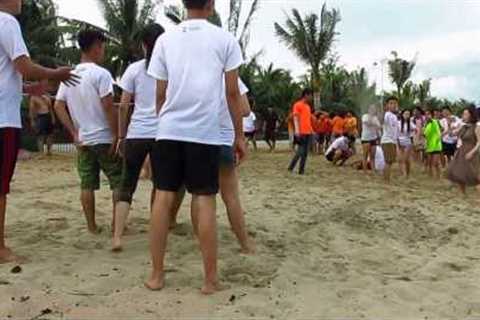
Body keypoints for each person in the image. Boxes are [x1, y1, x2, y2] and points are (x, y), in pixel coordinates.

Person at [145, 0, 246, 294]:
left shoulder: (165, 40)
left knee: (162, 199)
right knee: (204, 200)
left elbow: (160, 96)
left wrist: (166, 123)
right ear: (211, 4)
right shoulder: (225, 40)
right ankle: (210, 280)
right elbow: (231, 93)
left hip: (168, 130)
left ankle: (156, 274)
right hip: (204, 132)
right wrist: (239, 136)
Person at [0, 0, 78, 263]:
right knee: (1, 185)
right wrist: (56, 73)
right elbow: (24, 65)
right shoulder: (7, 22)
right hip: (2, 119)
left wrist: (25, 89)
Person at [54, 30, 122, 234]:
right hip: (103, 136)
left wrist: (74, 132)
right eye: (102, 47)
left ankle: (92, 226)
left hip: (83, 139)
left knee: (87, 184)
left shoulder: (70, 75)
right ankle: (116, 225)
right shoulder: (101, 74)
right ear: (95, 47)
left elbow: (58, 105)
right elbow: (109, 106)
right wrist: (116, 135)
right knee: (117, 180)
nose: (103, 52)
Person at [112, 24, 165, 252]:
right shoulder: (169, 69)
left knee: (127, 185)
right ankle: (156, 230)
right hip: (162, 134)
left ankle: (117, 236)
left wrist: (121, 135)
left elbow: (123, 106)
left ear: (143, 44)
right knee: (161, 186)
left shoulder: (133, 70)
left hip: (136, 134)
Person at [447, 107, 480, 194]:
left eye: (465, 114)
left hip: (472, 152)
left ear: (471, 115)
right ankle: (463, 194)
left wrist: (472, 152)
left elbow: (479, 143)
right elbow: (451, 134)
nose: (463, 116)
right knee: (460, 173)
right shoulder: (463, 127)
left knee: (474, 175)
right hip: (462, 151)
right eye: (463, 114)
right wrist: (449, 124)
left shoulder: (476, 127)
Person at [288, 89, 314, 175]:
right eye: (310, 95)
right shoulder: (297, 105)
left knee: (305, 153)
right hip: (301, 132)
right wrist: (297, 131)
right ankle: (291, 167)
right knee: (300, 151)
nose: (311, 97)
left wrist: (311, 130)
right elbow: (295, 118)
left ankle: (301, 170)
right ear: (306, 95)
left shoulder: (308, 107)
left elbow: (308, 120)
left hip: (308, 132)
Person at [29, 82, 55, 155]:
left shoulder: (47, 96)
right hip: (40, 116)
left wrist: (53, 118)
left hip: (48, 116)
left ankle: (49, 151)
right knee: (40, 136)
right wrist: (32, 120)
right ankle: (41, 152)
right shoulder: (33, 98)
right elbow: (31, 110)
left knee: (50, 134)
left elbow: (50, 108)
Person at [380, 96, 400, 184]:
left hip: (392, 141)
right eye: (391, 103)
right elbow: (382, 121)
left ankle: (386, 179)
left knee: (390, 162)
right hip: (387, 140)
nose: (393, 105)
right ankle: (386, 180)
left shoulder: (394, 116)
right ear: (387, 105)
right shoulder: (387, 114)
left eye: (395, 103)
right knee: (388, 161)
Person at [361, 105, 381, 172]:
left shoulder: (375, 118)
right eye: (371, 109)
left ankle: (373, 170)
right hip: (366, 138)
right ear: (368, 109)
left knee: (372, 156)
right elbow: (368, 123)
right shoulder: (365, 116)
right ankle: (365, 171)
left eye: (374, 109)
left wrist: (379, 137)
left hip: (373, 138)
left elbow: (378, 127)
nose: (373, 110)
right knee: (365, 155)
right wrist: (374, 122)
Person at [423, 109, 443, 179]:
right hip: (429, 146)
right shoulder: (426, 124)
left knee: (435, 163)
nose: (427, 116)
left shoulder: (434, 122)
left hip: (436, 145)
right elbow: (425, 135)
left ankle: (438, 177)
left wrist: (438, 138)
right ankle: (431, 177)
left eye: (428, 114)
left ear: (432, 115)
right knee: (430, 163)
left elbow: (439, 132)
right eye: (425, 114)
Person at [397, 110, 415, 177]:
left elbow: (416, 129)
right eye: (405, 114)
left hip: (408, 142)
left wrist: (413, 134)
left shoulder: (410, 123)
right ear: (402, 114)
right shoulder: (398, 123)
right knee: (400, 159)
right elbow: (396, 134)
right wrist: (398, 143)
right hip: (399, 142)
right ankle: (402, 173)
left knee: (406, 159)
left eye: (408, 114)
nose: (407, 115)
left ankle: (407, 174)